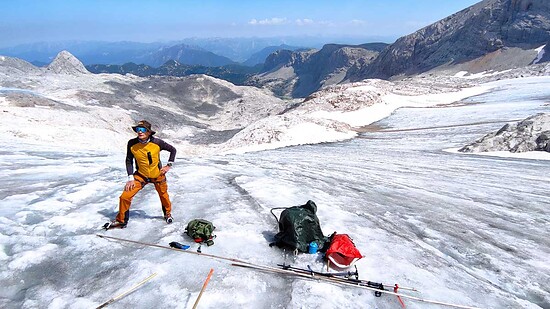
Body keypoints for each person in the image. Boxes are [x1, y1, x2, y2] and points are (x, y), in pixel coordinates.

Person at [106, 120, 177, 228]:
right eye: (138, 130)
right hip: (141, 175)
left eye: (143, 130)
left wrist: (168, 165)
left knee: (163, 195)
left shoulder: (157, 143)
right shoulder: (132, 143)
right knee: (125, 196)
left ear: (149, 132)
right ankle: (121, 220)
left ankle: (167, 214)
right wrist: (130, 178)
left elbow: (173, 150)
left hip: (157, 174)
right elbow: (129, 160)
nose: (140, 132)